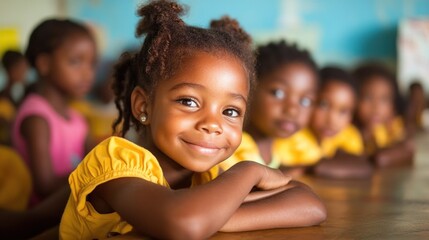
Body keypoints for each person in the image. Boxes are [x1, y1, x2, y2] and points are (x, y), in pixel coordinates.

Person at [59, 1, 326, 239]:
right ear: (144, 105)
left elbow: (309, 204)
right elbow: (185, 223)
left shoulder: (206, 175)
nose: (213, 124)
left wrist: (212, 218)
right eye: (189, 101)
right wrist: (249, 171)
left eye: (231, 111)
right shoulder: (114, 164)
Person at [12, 18, 96, 206]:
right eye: (76, 62)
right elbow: (45, 186)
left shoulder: (77, 119)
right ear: (44, 63)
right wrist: (98, 173)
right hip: (46, 217)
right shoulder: (37, 119)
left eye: (91, 64)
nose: (87, 73)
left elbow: (95, 157)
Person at [219, 40, 321, 175]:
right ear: (249, 87)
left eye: (305, 101)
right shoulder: (227, 148)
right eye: (278, 93)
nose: (292, 110)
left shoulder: (290, 147)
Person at [309, 66, 373, 178]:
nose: (332, 120)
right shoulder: (292, 137)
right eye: (323, 105)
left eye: (343, 111)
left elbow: (362, 164)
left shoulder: (348, 134)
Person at [353, 62, 413, 167]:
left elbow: (408, 147)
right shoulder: (347, 133)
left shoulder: (384, 130)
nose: (376, 108)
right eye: (368, 97)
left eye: (384, 100)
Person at [0, 50, 28, 145]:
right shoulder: (4, 102)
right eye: (22, 69)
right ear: (12, 69)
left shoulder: (14, 95)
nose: (25, 73)